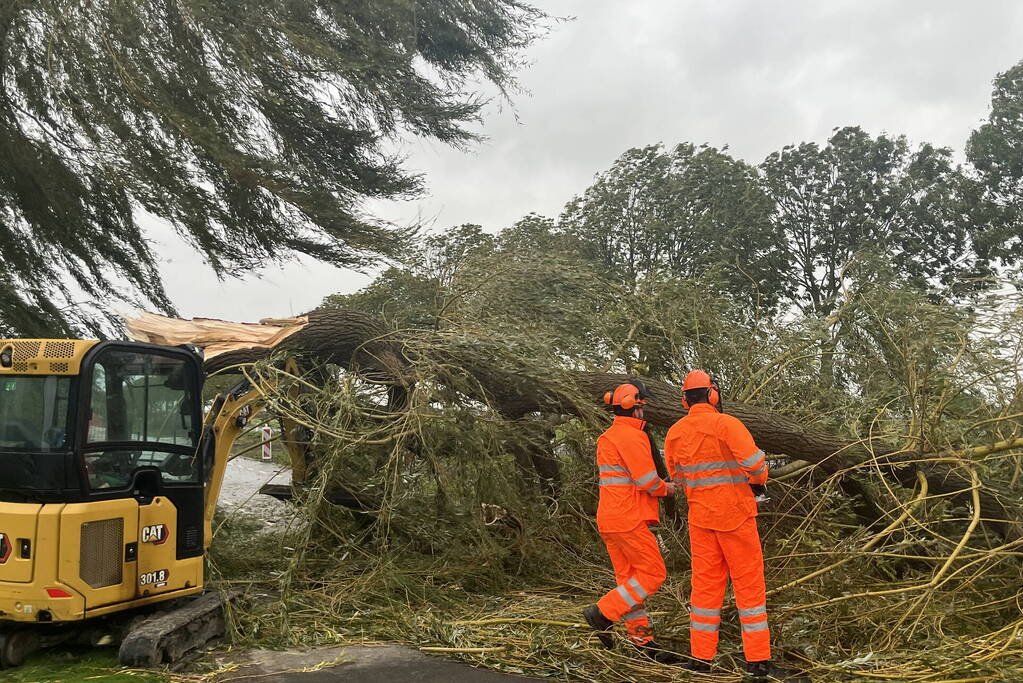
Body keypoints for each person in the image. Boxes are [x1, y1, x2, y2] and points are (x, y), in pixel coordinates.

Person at [664, 370, 779, 679]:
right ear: (713, 394)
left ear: (684, 399)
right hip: (736, 516)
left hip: (701, 519)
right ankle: (757, 661)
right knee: (749, 588)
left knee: (704, 590)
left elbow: (677, 478)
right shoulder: (727, 424)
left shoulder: (675, 432)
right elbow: (755, 467)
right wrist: (757, 482)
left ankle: (701, 658)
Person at [582, 380, 681, 664]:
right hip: (628, 518)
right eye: (641, 407)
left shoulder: (608, 436)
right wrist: (669, 488)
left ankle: (642, 642)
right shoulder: (631, 437)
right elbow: (647, 482)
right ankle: (602, 613)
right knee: (653, 574)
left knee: (630, 583)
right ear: (633, 408)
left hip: (611, 518)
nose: (643, 413)